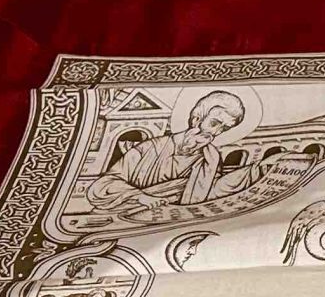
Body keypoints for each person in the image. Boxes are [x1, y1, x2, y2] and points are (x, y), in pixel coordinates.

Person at [83, 90, 244, 215]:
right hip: (124, 215)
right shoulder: (149, 148)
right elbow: (103, 185)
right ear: (196, 119)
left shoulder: (211, 159)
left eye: (224, 128)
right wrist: (139, 196)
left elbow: (212, 194)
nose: (215, 133)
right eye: (214, 123)